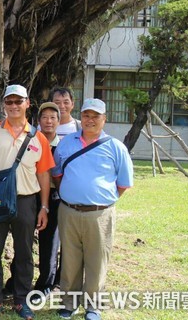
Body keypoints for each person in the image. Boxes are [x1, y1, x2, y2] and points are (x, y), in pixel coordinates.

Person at [0, 84, 53, 320]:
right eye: (9, 102)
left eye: (19, 101)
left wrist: (44, 207)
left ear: (28, 103)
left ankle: (21, 300)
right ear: (4, 105)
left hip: (26, 201)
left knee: (25, 253)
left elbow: (44, 174)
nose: (14, 106)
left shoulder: (38, 138)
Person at [52, 99, 133, 320]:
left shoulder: (116, 147)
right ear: (81, 117)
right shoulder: (66, 143)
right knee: (69, 259)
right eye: (86, 115)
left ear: (104, 119)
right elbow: (57, 174)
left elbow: (123, 184)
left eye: (96, 116)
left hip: (100, 214)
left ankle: (93, 306)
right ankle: (68, 303)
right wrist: (72, 194)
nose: (90, 120)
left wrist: (100, 200)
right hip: (68, 211)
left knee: (97, 260)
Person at [31, 102, 62, 302]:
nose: (48, 121)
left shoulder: (65, 145)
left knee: (49, 242)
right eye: (44, 117)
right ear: (38, 121)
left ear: (59, 121)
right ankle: (18, 280)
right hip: (30, 195)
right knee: (24, 239)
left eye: (53, 117)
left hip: (54, 197)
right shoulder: (32, 141)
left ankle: (45, 284)